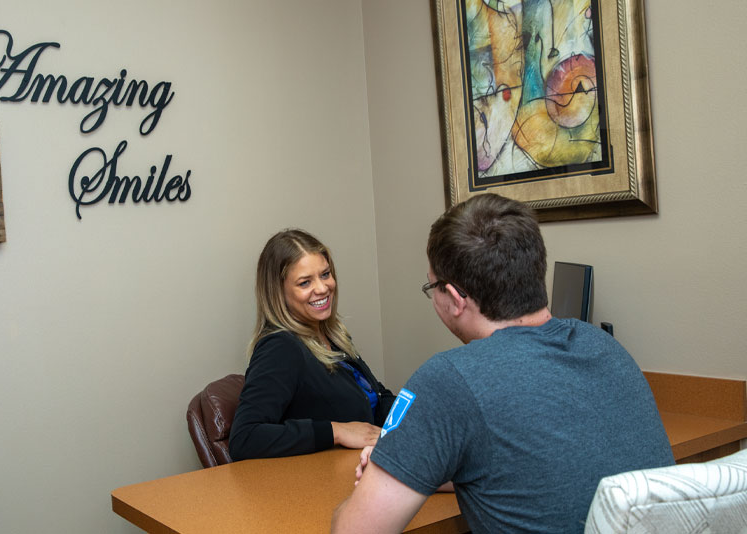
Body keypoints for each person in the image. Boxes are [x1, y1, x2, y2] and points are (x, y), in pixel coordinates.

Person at [332, 194, 674, 533]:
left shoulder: (449, 379)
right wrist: (419, 462)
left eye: (432, 286)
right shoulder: (604, 346)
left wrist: (383, 470)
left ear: (454, 299)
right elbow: (538, 466)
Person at [229, 229, 395, 461]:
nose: (322, 288)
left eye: (325, 274)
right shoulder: (280, 348)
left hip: (368, 467)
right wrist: (336, 431)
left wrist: (411, 420)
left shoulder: (333, 335)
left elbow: (375, 396)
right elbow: (244, 438)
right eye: (305, 282)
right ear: (279, 292)